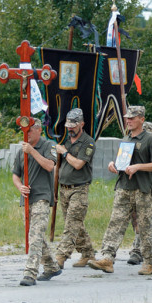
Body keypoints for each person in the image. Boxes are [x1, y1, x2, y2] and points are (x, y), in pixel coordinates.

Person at [87, 106, 152, 276]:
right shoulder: (126, 139)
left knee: (144, 226)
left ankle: (148, 261)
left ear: (141, 119)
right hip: (124, 187)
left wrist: (138, 167)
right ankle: (107, 258)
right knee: (116, 222)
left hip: (143, 189)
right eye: (127, 118)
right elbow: (122, 161)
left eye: (132, 118)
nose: (128, 120)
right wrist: (113, 165)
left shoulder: (150, 140)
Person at [11, 118, 59, 286]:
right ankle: (52, 266)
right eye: (24, 131)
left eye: (30, 130)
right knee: (35, 234)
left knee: (35, 235)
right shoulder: (21, 151)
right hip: (27, 199)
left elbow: (49, 166)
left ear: (39, 130)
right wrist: (20, 187)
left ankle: (30, 272)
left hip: (42, 197)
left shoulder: (48, 146)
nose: (26, 133)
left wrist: (32, 151)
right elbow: (15, 174)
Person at [53, 108, 96, 269]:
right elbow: (58, 166)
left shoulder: (88, 142)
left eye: (73, 125)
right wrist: (54, 190)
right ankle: (88, 253)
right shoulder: (65, 140)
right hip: (64, 189)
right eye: (68, 125)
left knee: (71, 225)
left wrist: (64, 153)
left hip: (79, 189)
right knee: (75, 223)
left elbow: (78, 164)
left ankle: (60, 257)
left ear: (82, 124)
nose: (70, 128)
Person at [128, 121, 152, 265]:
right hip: (135, 186)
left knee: (142, 219)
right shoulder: (137, 147)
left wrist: (141, 168)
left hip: (150, 188)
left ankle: (137, 251)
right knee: (136, 219)